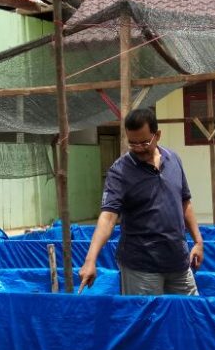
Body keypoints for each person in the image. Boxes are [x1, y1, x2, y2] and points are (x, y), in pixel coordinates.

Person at [78, 108, 205, 295]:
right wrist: (90, 260)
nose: (138, 148)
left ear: (157, 135)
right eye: (132, 143)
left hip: (178, 262)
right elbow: (108, 218)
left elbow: (185, 202)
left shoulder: (173, 160)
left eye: (145, 142)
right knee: (146, 314)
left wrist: (198, 241)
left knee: (187, 312)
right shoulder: (120, 172)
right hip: (141, 268)